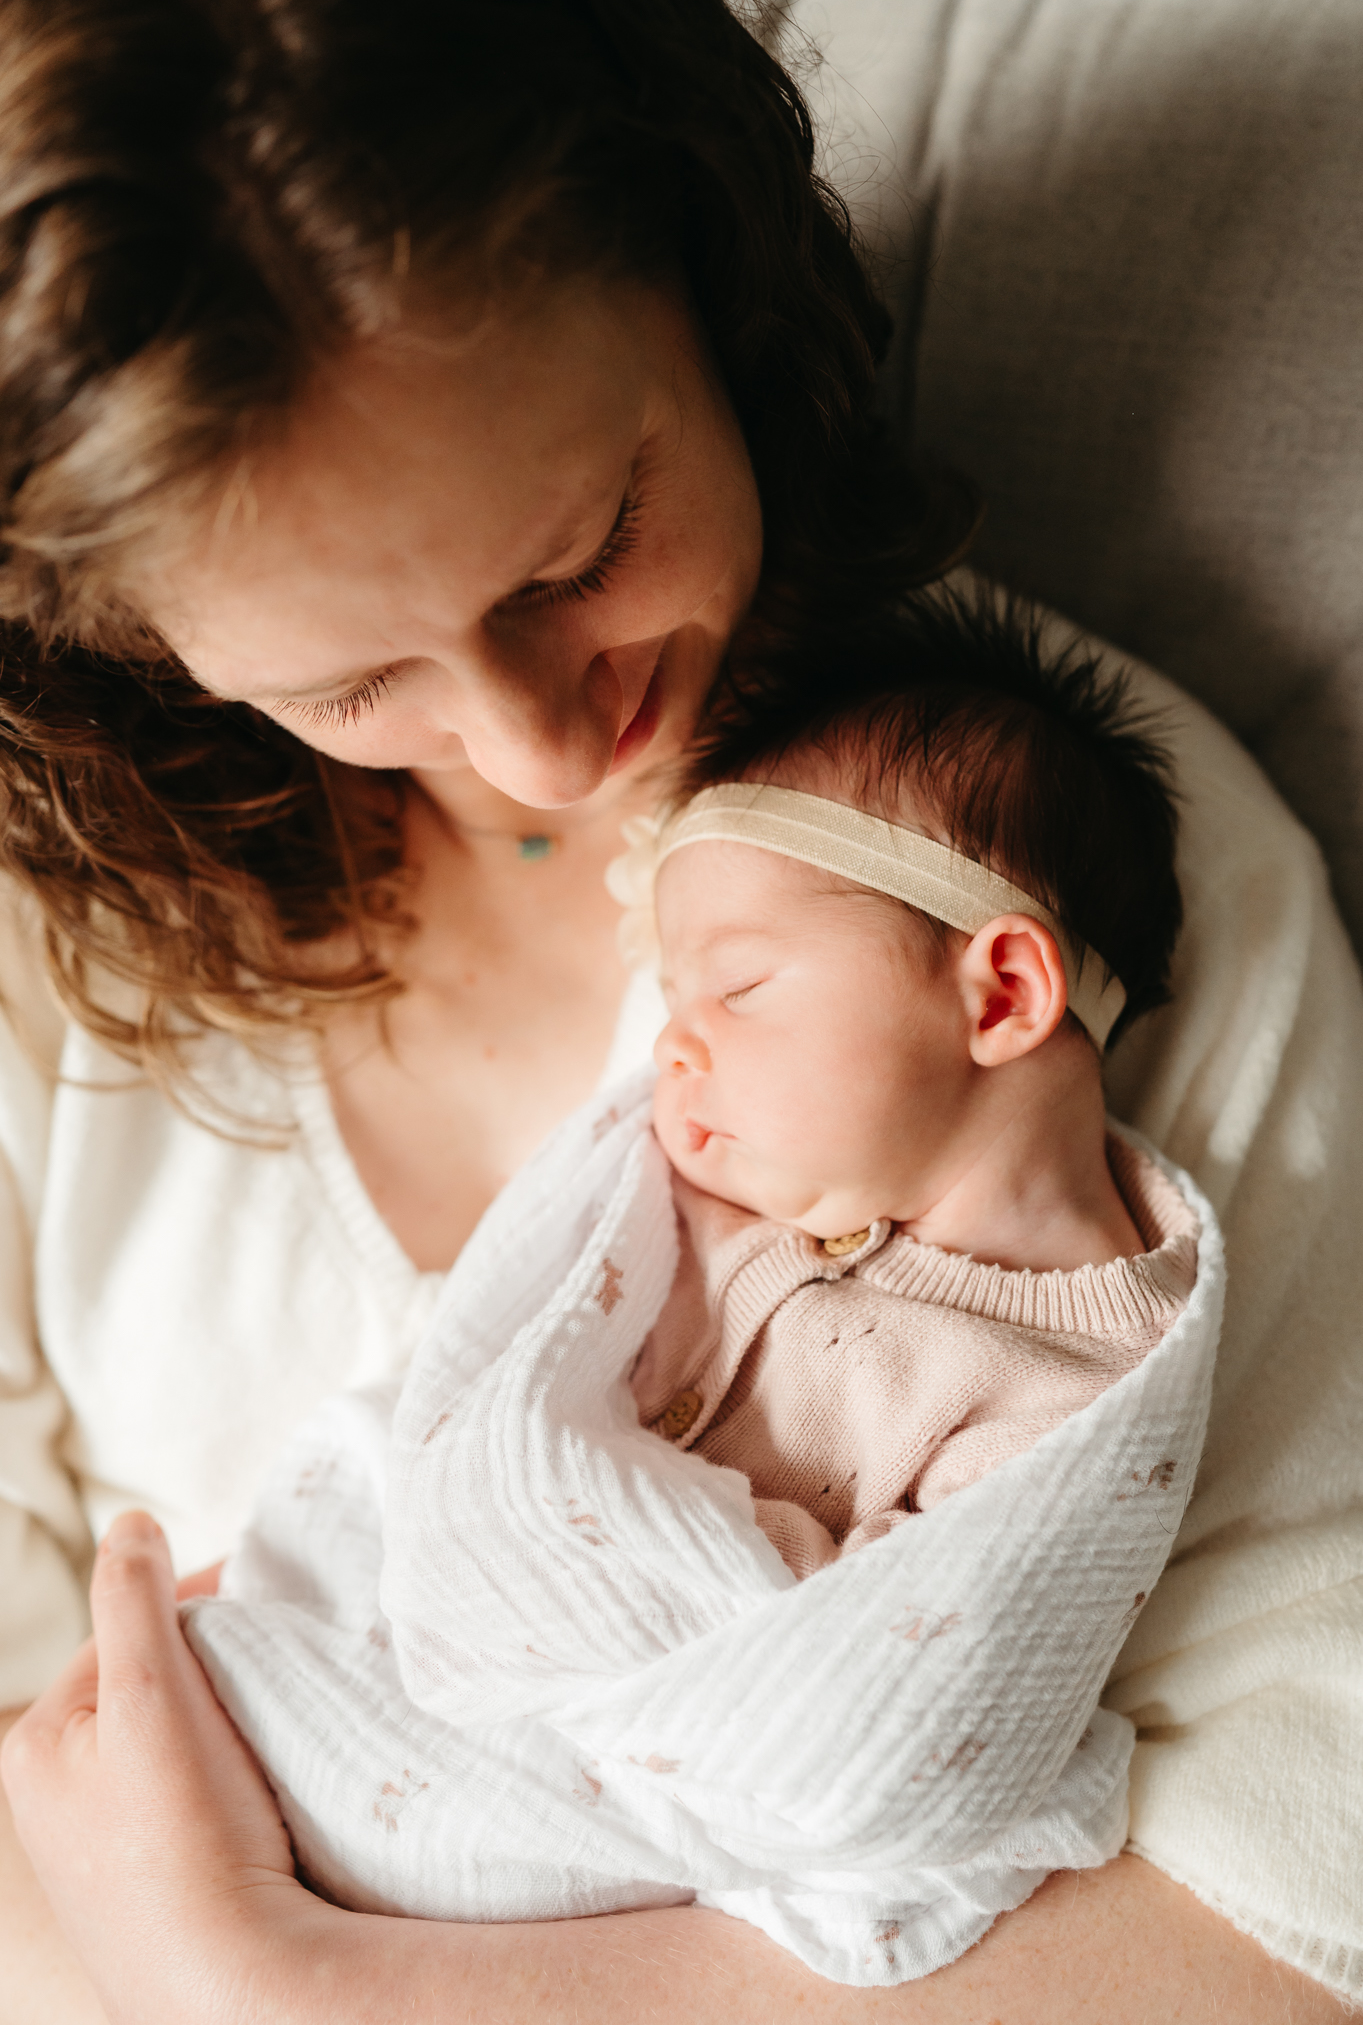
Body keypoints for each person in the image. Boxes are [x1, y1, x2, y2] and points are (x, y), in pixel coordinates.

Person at [0, 0, 1352, 2020]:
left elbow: (1298, 1886)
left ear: (698, 259)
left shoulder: (1043, 893)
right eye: (349, 681)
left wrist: (289, 1987)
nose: (536, 744)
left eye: (579, 549)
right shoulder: (74, 947)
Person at [180, 603, 1219, 1984]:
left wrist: (600, 1525)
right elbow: (514, 1369)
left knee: (181, 1726)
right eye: (675, 1000)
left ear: (1000, 994)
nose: (676, 1049)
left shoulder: (1072, 1388)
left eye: (738, 984)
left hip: (608, 1779)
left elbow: (889, 1702)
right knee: (177, 1683)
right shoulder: (732, 1218)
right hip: (398, 1641)